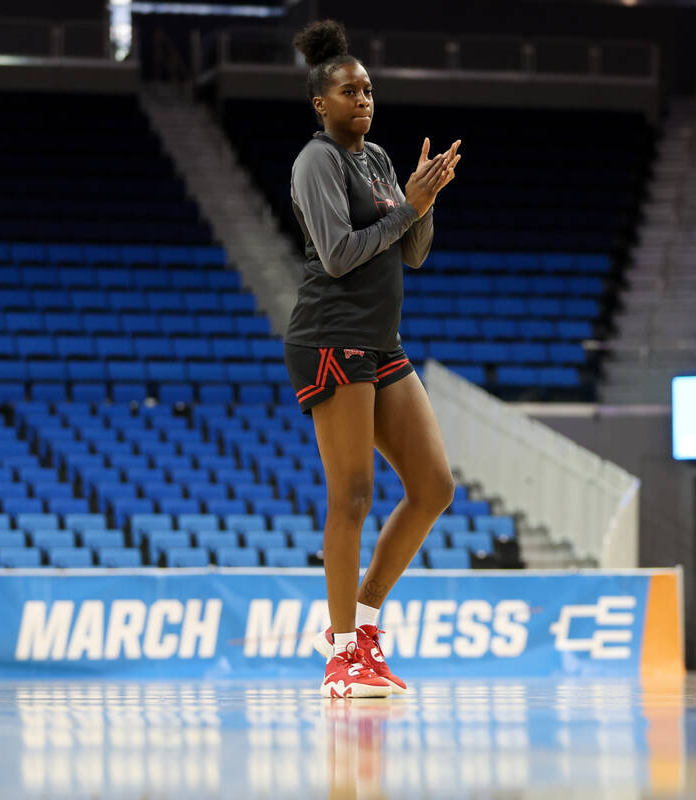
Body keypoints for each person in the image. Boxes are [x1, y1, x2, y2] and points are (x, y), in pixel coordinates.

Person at [284, 18, 462, 698]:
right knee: (353, 494)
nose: (362, 99)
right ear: (321, 104)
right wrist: (406, 209)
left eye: (368, 90)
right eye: (348, 91)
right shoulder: (315, 162)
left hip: (380, 340)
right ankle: (340, 657)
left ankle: (359, 626)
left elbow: (411, 253)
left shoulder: (380, 159)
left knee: (434, 486)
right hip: (330, 335)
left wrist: (425, 202)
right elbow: (337, 256)